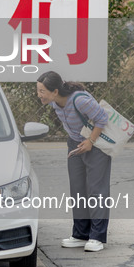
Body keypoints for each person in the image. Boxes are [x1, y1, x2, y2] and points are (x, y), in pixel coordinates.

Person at [36, 71, 111, 252]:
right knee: (77, 190)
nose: (39, 95)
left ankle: (96, 237)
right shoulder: (55, 104)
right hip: (75, 144)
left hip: (95, 145)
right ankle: (80, 234)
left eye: (42, 91)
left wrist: (90, 141)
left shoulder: (79, 100)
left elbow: (102, 118)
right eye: (38, 90)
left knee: (96, 190)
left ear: (55, 91)